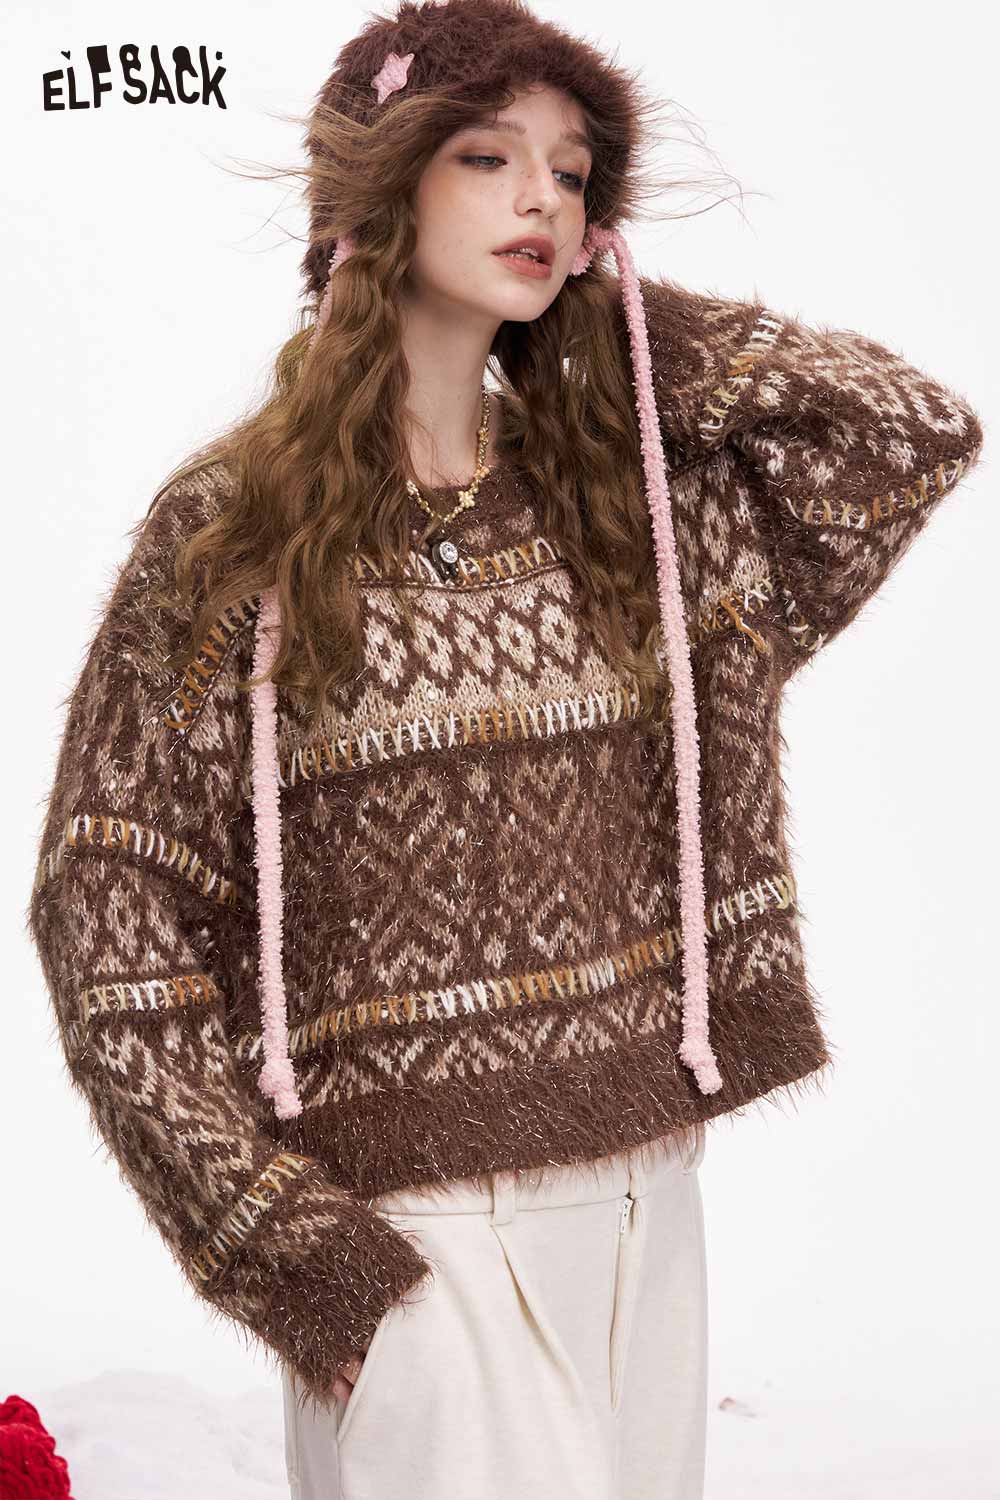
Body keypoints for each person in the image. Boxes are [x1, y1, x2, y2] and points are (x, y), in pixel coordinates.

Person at [25, 2, 984, 1497]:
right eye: (489, 156)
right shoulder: (237, 528)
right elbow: (106, 902)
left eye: (575, 174)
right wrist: (297, 1261)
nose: (546, 198)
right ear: (381, 183)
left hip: (649, 1203)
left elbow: (905, 432)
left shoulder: (629, 512)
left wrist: (625, 320)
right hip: (419, 1243)